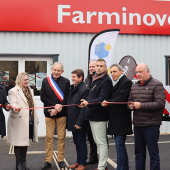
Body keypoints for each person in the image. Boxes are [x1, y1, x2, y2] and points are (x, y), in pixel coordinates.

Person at [128, 63, 166, 170]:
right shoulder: (134, 85)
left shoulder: (157, 84)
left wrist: (140, 106)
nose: (138, 74)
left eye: (141, 72)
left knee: (153, 154)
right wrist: (130, 105)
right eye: (137, 72)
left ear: (148, 71)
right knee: (139, 154)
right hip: (138, 125)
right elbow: (129, 100)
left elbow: (160, 104)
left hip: (151, 125)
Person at [80, 58, 113, 170]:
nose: (98, 68)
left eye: (101, 66)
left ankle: (102, 166)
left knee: (101, 142)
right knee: (98, 143)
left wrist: (88, 103)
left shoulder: (106, 80)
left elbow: (102, 98)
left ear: (105, 68)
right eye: (97, 65)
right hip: (92, 115)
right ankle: (103, 165)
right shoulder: (95, 78)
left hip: (99, 116)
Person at [101, 63, 133, 170]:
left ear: (121, 72)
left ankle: (121, 168)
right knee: (120, 147)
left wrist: (107, 102)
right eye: (111, 72)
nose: (112, 74)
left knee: (119, 146)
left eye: (114, 71)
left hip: (121, 121)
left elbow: (121, 98)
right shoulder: (116, 83)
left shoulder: (126, 82)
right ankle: (124, 167)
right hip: (116, 120)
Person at [40, 62, 70, 170]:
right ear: (52, 69)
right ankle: (48, 160)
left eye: (58, 70)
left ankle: (60, 159)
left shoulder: (66, 81)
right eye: (54, 70)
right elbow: (42, 97)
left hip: (61, 114)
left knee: (61, 137)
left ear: (62, 71)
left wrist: (57, 109)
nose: (56, 72)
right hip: (49, 113)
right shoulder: (45, 81)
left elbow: (67, 98)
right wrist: (54, 106)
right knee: (49, 138)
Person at [7, 72, 39, 170]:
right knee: (18, 143)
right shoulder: (13, 91)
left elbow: (32, 104)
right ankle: (18, 165)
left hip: (28, 119)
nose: (27, 81)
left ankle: (23, 163)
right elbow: (13, 103)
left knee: (25, 142)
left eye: (28, 79)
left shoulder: (30, 90)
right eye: (24, 79)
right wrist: (15, 108)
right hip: (18, 120)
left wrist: (36, 118)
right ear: (19, 80)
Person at [67, 69, 89, 170]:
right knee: (76, 142)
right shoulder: (75, 88)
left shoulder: (84, 89)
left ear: (80, 78)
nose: (72, 79)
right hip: (74, 121)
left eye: (74, 77)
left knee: (81, 143)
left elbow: (84, 109)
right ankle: (78, 161)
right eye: (72, 77)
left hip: (79, 122)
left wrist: (80, 122)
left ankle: (83, 163)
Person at [84, 60, 98, 165]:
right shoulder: (87, 79)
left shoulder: (102, 79)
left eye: (93, 66)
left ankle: (103, 160)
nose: (91, 68)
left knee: (100, 139)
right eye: (90, 67)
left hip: (98, 112)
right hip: (88, 111)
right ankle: (93, 157)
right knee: (90, 137)